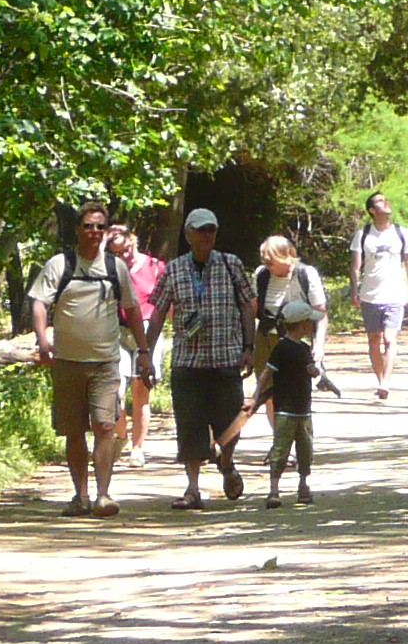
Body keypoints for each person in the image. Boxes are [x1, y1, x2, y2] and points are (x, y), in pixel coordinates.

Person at [28, 202, 144, 517]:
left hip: (106, 361)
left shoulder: (115, 267)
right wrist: (42, 339)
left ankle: (103, 495)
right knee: (74, 430)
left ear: (106, 232)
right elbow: (39, 302)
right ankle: (80, 495)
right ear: (78, 229)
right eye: (89, 226)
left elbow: (132, 309)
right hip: (67, 361)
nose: (94, 232)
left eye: (100, 227)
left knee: (106, 425)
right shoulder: (59, 265)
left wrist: (143, 351)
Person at [150, 207, 258, 509]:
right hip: (188, 362)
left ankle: (226, 462)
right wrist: (145, 353)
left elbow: (247, 306)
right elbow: (158, 310)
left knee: (230, 423)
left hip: (226, 359)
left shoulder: (231, 264)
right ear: (188, 234)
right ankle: (193, 488)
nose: (205, 236)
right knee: (190, 426)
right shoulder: (174, 269)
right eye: (199, 230)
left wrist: (249, 346)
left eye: (210, 230)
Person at [241, 233, 328, 506]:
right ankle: (279, 438)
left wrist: (319, 346)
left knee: (292, 391)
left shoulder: (306, 275)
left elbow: (320, 312)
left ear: (285, 256)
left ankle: (291, 451)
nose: (267, 264)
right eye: (264, 260)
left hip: (294, 339)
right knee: (269, 393)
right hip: (266, 338)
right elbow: (254, 309)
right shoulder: (262, 275)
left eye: (271, 260)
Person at [351, 191, 408, 400]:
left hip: (395, 295)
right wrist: (354, 290)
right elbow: (355, 267)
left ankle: (385, 383)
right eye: (381, 202)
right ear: (372, 210)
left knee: (390, 339)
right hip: (370, 296)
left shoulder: (402, 233)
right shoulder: (363, 235)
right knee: (374, 339)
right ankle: (379, 376)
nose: (386, 204)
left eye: (386, 200)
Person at [105, 221, 164, 459]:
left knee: (141, 390)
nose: (123, 256)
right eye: (116, 253)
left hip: (149, 331)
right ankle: (121, 435)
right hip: (117, 331)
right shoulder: (107, 269)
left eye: (125, 250)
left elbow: (166, 303)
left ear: (133, 242)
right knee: (114, 392)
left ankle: (137, 448)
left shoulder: (155, 267)